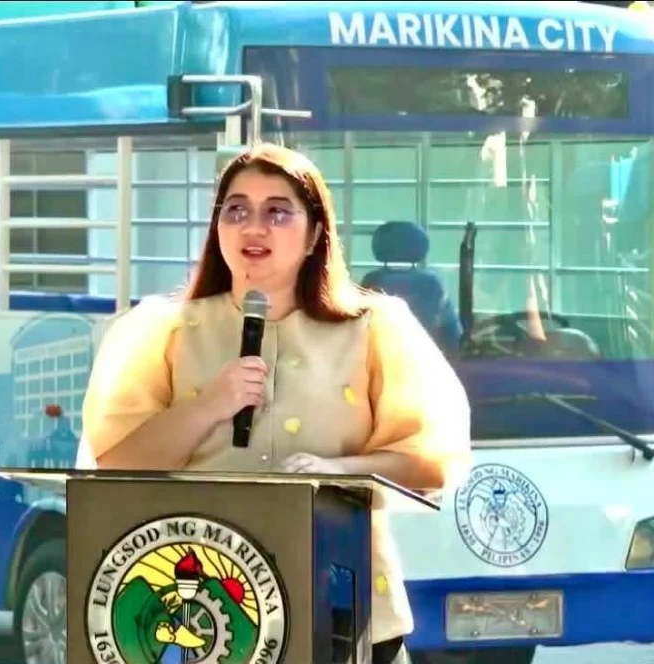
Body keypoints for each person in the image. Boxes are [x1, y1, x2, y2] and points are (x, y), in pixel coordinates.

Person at [80, 142, 472, 663]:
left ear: (314, 234)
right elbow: (113, 466)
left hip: (341, 607)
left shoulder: (377, 330)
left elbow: (428, 462)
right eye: (236, 210)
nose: (253, 228)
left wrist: (337, 470)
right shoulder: (159, 330)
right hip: (206, 613)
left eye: (277, 212)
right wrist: (208, 406)